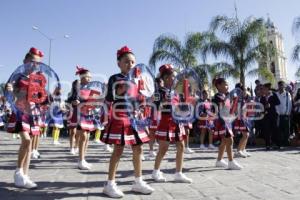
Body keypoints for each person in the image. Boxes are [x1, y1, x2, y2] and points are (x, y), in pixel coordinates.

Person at [101, 46, 154, 198]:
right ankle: (109, 184)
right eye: (126, 61)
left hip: (135, 117)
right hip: (120, 115)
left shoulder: (139, 81)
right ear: (118, 63)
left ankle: (138, 181)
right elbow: (111, 98)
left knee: (138, 148)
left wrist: (145, 96)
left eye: (132, 62)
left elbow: (142, 100)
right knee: (118, 150)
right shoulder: (115, 78)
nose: (130, 64)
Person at [6, 47, 50, 188]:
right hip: (20, 110)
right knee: (26, 140)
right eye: (32, 61)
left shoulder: (40, 79)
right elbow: (9, 91)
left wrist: (48, 99)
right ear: (25, 61)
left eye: (38, 63)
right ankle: (18, 172)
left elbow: (41, 98)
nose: (34, 65)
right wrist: (10, 89)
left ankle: (25, 175)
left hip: (33, 112)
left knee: (29, 144)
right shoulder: (17, 76)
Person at [152, 64, 193, 183]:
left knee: (181, 146)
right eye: (168, 77)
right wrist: (164, 101)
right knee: (163, 148)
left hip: (177, 121)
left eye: (174, 77)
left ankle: (178, 173)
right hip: (166, 121)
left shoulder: (176, 92)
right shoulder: (158, 91)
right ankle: (155, 171)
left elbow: (179, 107)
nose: (172, 80)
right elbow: (155, 106)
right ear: (163, 79)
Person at [212, 77, 243, 170]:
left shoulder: (225, 96)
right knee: (229, 140)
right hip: (222, 121)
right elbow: (221, 108)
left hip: (226, 120)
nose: (227, 86)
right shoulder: (217, 97)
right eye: (225, 84)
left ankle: (219, 160)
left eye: (227, 84)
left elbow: (229, 109)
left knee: (224, 142)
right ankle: (231, 161)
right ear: (218, 86)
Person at [260, 83, 281, 150]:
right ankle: (267, 145)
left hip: (274, 115)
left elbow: (278, 102)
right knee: (267, 130)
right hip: (266, 115)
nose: (263, 90)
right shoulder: (263, 97)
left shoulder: (273, 94)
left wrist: (271, 104)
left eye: (264, 88)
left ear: (267, 89)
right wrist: (264, 107)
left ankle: (276, 144)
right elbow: (260, 106)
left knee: (275, 129)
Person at [276, 81, 292, 146]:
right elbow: (275, 105)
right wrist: (277, 112)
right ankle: (280, 142)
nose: (281, 87)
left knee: (286, 130)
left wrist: (287, 113)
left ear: (284, 86)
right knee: (279, 129)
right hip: (278, 115)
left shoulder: (287, 94)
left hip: (286, 115)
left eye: (282, 85)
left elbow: (289, 104)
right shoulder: (276, 94)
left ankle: (286, 142)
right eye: (279, 85)